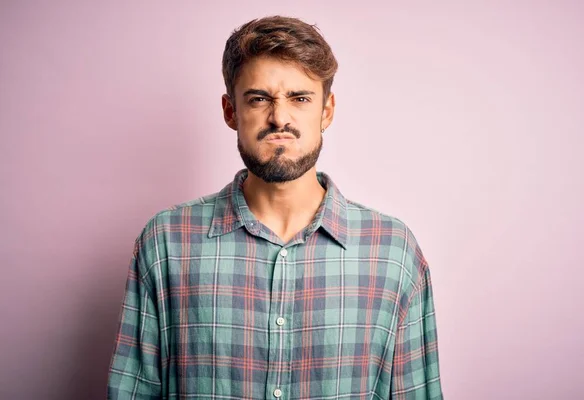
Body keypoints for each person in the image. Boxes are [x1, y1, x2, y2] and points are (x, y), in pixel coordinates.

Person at [107, 15, 443, 400]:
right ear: (231, 111)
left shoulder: (393, 252)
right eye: (259, 99)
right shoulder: (166, 242)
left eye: (299, 99)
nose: (279, 117)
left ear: (327, 110)